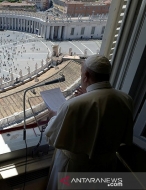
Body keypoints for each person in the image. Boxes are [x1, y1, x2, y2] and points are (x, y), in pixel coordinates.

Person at [45, 55, 133, 190]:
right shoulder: (126, 99)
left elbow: (52, 136)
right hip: (107, 167)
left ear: (85, 75)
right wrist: (86, 96)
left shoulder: (72, 105)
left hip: (75, 169)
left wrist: (53, 115)